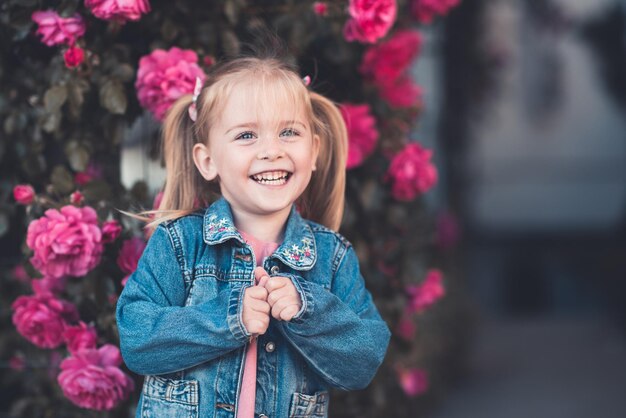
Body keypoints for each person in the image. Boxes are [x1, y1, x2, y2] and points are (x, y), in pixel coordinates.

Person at [116, 46, 391, 418]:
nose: (271, 151)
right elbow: (137, 338)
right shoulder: (180, 244)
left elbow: (363, 360)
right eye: (247, 135)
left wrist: (307, 311)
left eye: (288, 132)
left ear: (314, 152)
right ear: (208, 160)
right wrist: (229, 318)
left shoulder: (332, 258)